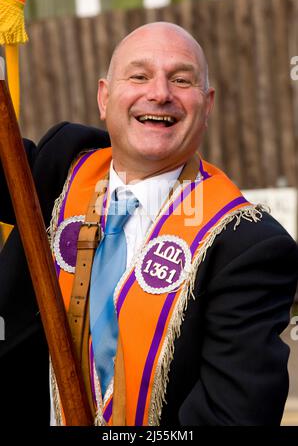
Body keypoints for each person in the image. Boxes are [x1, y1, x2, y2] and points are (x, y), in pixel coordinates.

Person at [0, 22, 297, 427]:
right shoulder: (58, 165)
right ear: (104, 98)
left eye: (181, 79)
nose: (159, 93)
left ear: (207, 105)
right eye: (139, 75)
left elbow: (232, 418)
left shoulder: (246, 246)